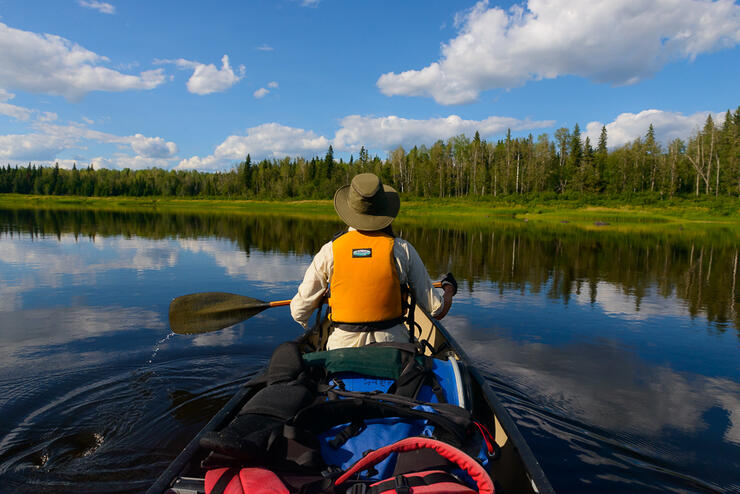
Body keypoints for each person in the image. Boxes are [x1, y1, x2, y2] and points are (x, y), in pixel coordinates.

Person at [290, 173, 457, 350]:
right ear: (385, 211)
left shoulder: (329, 251)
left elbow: (298, 312)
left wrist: (322, 298)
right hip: (393, 347)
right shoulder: (402, 249)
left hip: (342, 349)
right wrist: (449, 290)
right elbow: (437, 311)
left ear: (350, 210)